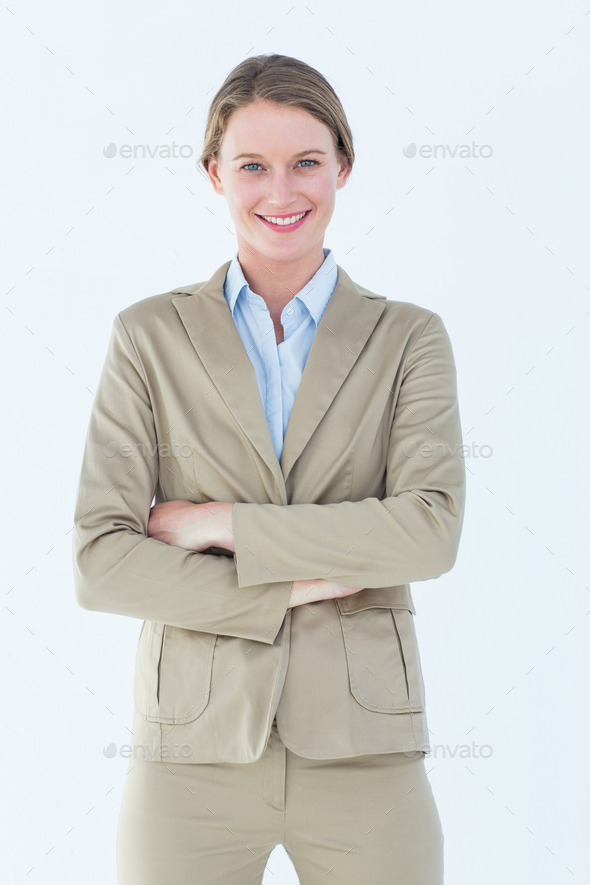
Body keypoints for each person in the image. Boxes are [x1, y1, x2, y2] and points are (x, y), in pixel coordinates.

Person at [72, 53, 466, 885]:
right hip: (191, 753)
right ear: (215, 173)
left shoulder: (409, 339)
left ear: (343, 168)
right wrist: (290, 585)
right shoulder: (148, 337)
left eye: (306, 163)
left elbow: (428, 531)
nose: (280, 193)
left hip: (366, 752)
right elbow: (101, 560)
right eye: (253, 165)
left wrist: (221, 525)